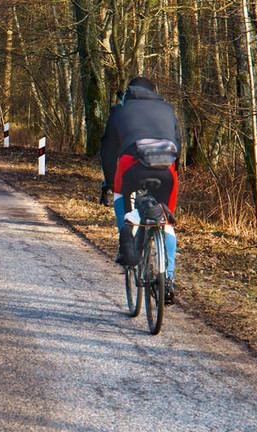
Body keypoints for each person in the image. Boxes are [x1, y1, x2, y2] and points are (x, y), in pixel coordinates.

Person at [100, 76, 180, 304]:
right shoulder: (168, 109)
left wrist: (107, 184)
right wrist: (175, 172)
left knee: (124, 206)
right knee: (166, 222)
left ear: (128, 93)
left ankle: (127, 245)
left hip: (131, 168)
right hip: (166, 170)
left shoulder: (119, 112)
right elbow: (179, 145)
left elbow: (107, 152)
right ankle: (168, 279)